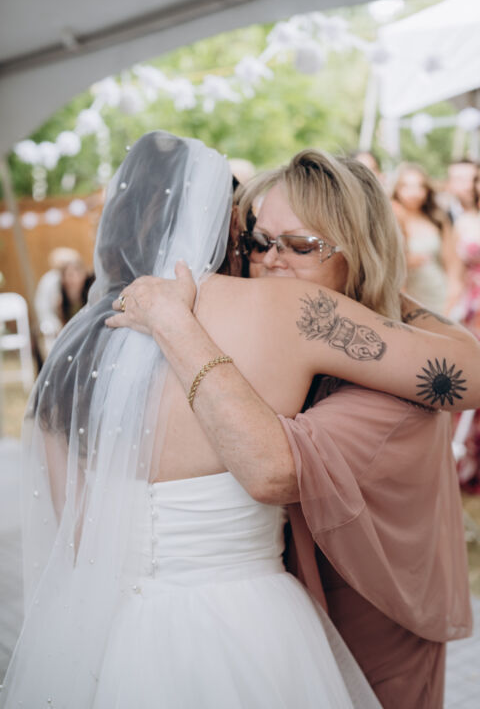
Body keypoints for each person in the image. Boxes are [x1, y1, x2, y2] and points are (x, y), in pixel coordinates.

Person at [1, 131, 390, 709]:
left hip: (112, 630)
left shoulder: (72, 358)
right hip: (248, 619)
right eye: (250, 237)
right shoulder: (268, 315)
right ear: (218, 232)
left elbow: (76, 537)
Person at [108, 150, 479, 708]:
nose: (273, 262)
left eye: (301, 246)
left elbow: (468, 372)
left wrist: (175, 325)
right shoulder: (274, 327)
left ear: (361, 253)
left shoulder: (382, 390)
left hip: (373, 623)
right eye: (259, 243)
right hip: (283, 617)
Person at [391, 162, 462, 314]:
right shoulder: (392, 219)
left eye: (419, 186)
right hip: (409, 301)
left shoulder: (437, 218)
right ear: (397, 189)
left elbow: (452, 263)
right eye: (406, 186)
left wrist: (453, 294)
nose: (414, 193)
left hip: (440, 294)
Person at [453, 165, 480, 492]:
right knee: (471, 377)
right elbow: (454, 272)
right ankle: (466, 464)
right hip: (471, 309)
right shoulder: (463, 221)